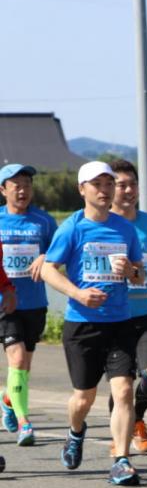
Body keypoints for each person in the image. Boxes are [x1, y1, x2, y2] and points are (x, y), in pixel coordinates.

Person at [41, 161, 144, 485]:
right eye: (96, 184)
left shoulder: (126, 229)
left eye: (108, 184)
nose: (104, 190)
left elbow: (140, 275)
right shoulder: (72, 228)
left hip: (120, 322)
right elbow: (48, 269)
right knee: (83, 399)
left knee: (124, 390)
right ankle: (75, 432)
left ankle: (121, 459)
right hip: (82, 323)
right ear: (82, 189)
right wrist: (78, 294)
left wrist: (130, 271)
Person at [108, 160, 147, 454]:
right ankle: (120, 433)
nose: (129, 190)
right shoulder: (101, 225)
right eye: (122, 185)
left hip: (146, 314)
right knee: (121, 383)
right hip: (111, 318)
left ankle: (137, 418)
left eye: (133, 184)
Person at [0, 163, 58, 445]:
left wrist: (46, 256)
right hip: (4, 304)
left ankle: (9, 399)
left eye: (27, 185)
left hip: (35, 303)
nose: (23, 191)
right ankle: (25, 423)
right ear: (3, 190)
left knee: (23, 367)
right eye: (16, 185)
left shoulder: (44, 222)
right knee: (18, 358)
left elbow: (61, 254)